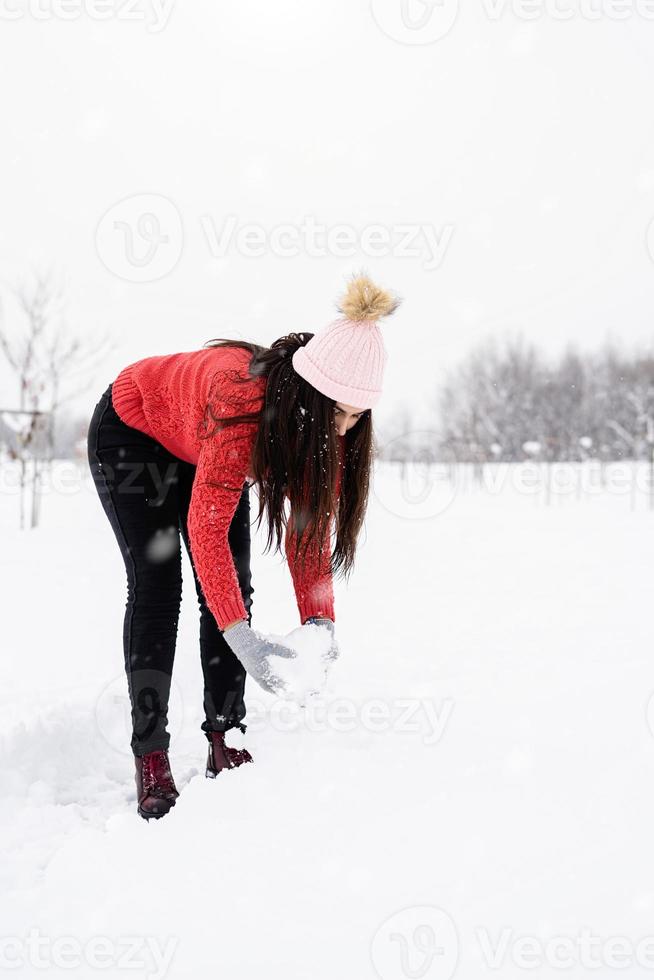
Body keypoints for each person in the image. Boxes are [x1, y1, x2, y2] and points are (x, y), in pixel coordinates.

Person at [86, 271, 401, 820]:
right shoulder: (245, 405)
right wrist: (244, 640)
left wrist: (320, 621)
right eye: (339, 413)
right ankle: (152, 756)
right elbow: (205, 530)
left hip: (196, 445)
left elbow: (308, 533)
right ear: (309, 394)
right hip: (134, 434)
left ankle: (224, 735)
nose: (347, 430)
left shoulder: (314, 431)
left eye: (358, 417)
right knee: (159, 587)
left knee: (232, 585)